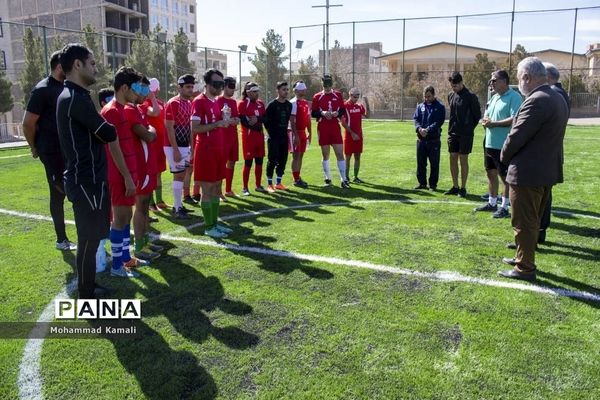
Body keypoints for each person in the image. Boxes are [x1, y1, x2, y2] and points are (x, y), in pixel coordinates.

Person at [56, 43, 126, 298]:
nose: (96, 67)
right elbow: (107, 131)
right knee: (88, 237)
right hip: (86, 180)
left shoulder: (77, 96)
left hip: (89, 179)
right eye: (93, 63)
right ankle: (86, 291)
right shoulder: (75, 98)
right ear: (77, 65)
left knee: (92, 237)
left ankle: (88, 285)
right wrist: (109, 126)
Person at [498, 57, 568, 281]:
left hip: (528, 173)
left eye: (519, 78)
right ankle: (522, 257)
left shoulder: (536, 100)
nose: (519, 82)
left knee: (524, 222)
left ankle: (525, 267)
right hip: (545, 170)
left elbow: (517, 136)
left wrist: (503, 157)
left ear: (527, 77)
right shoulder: (557, 97)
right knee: (532, 221)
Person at [22, 50, 76, 251]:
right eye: (68, 65)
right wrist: (34, 146)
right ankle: (62, 239)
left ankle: (64, 238)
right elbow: (28, 123)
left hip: (67, 149)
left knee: (61, 193)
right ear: (60, 67)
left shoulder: (67, 87)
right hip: (51, 150)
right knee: (61, 190)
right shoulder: (42, 89)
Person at [101, 67, 150, 278]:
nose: (137, 93)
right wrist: (128, 177)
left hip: (126, 174)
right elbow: (114, 149)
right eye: (135, 88)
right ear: (124, 88)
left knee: (126, 215)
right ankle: (117, 265)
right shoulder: (112, 110)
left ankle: (125, 258)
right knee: (120, 218)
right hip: (118, 175)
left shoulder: (121, 108)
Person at [191, 68, 234, 238]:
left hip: (218, 149)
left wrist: (226, 122)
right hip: (206, 150)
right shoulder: (199, 101)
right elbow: (195, 128)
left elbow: (218, 123)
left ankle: (215, 223)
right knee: (207, 189)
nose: (220, 87)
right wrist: (217, 124)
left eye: (221, 84)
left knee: (217, 187)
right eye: (217, 84)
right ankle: (209, 226)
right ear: (207, 84)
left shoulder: (216, 102)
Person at [475, 70, 522, 218]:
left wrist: (493, 124)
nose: (491, 83)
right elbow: (487, 115)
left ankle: (504, 207)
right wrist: (486, 121)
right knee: (491, 173)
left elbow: (515, 118)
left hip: (504, 144)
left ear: (504, 81)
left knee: (505, 176)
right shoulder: (494, 97)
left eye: (494, 80)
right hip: (489, 142)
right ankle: (492, 202)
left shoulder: (514, 97)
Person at [125, 76, 163, 260]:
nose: (145, 93)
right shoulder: (129, 110)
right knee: (139, 206)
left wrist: (151, 131)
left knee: (145, 205)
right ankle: (139, 246)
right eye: (142, 88)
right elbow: (149, 135)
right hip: (139, 166)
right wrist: (151, 132)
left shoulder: (138, 108)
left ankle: (145, 241)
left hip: (147, 163)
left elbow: (150, 129)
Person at [538, 62, 570, 244]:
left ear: (547, 77)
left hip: (546, 154)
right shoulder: (560, 94)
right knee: (544, 195)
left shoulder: (553, 95)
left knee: (542, 196)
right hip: (551, 152)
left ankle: (537, 233)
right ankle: (537, 233)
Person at [445, 72, 481, 198]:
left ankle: (463, 188)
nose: (453, 88)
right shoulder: (450, 95)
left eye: (455, 86)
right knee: (452, 157)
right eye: (452, 86)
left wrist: (468, 128)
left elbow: (477, 116)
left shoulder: (471, 96)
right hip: (452, 133)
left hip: (465, 135)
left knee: (463, 159)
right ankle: (455, 186)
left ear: (461, 83)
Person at [164, 74, 195, 218]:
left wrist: (191, 146)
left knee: (182, 175)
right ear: (180, 87)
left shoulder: (189, 103)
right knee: (178, 176)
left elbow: (189, 127)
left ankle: (179, 205)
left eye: (191, 87)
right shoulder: (173, 103)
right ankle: (177, 208)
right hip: (173, 146)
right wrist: (175, 149)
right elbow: (169, 128)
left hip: (184, 145)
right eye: (187, 87)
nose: (190, 89)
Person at [311, 74, 350, 188]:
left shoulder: (337, 95)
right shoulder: (317, 96)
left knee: (339, 153)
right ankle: (328, 178)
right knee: (325, 154)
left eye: (329, 85)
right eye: (325, 85)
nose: (327, 87)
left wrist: (337, 113)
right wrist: (322, 113)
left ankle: (343, 180)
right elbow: (313, 113)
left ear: (332, 84)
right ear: (322, 84)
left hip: (334, 127)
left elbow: (342, 109)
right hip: (323, 128)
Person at [140, 78, 170, 211]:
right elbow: (155, 112)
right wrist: (151, 98)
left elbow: (163, 121)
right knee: (151, 173)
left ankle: (159, 200)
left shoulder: (160, 102)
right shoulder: (144, 103)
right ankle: (151, 203)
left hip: (161, 143)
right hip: (151, 143)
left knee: (159, 173)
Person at [412, 85, 445, 190]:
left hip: (433, 140)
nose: (427, 99)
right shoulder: (420, 106)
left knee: (434, 163)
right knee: (421, 163)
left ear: (434, 95)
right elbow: (416, 119)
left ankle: (433, 185)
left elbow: (439, 122)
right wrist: (419, 129)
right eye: (425, 97)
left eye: (429, 96)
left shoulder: (440, 107)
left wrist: (428, 130)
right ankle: (422, 183)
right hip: (421, 140)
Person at [264, 81, 294, 192]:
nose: (286, 92)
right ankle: (269, 184)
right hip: (273, 137)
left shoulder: (289, 105)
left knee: (283, 159)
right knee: (272, 160)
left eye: (287, 89)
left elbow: (286, 121)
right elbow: (266, 121)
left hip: (283, 137)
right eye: (283, 89)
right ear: (278, 90)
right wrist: (271, 133)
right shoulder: (272, 105)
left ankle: (279, 183)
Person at [238, 82, 267, 196]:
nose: (257, 94)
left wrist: (257, 119)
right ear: (248, 92)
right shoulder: (242, 104)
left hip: (259, 137)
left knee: (259, 161)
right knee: (248, 162)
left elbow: (265, 118)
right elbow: (245, 122)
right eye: (254, 92)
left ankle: (258, 185)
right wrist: (256, 123)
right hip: (249, 138)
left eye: (257, 91)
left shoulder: (260, 104)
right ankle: (245, 187)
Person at [217, 76, 241, 198]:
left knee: (231, 162)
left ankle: (228, 190)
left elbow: (236, 119)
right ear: (224, 87)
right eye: (231, 87)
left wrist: (234, 120)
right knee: (221, 163)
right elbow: (218, 119)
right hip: (222, 138)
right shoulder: (218, 100)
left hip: (233, 136)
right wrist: (229, 120)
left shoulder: (233, 102)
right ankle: (218, 191)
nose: (233, 90)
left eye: (234, 87)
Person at [341, 88, 368, 183]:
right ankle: (346, 178)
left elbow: (367, 115)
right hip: (349, 136)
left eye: (358, 96)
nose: (356, 98)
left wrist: (367, 102)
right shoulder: (344, 106)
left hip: (359, 136)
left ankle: (356, 177)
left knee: (357, 157)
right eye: (355, 96)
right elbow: (343, 123)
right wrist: (352, 133)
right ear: (350, 95)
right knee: (347, 157)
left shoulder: (359, 106)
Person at [289, 80, 312, 188]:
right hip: (295, 132)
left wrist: (310, 132)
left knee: (301, 155)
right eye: (301, 90)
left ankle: (297, 176)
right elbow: (292, 120)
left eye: (304, 90)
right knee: (296, 156)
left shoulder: (305, 103)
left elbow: (308, 119)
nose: (303, 92)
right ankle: (295, 178)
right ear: (296, 91)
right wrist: (295, 135)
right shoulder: (293, 103)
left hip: (303, 132)